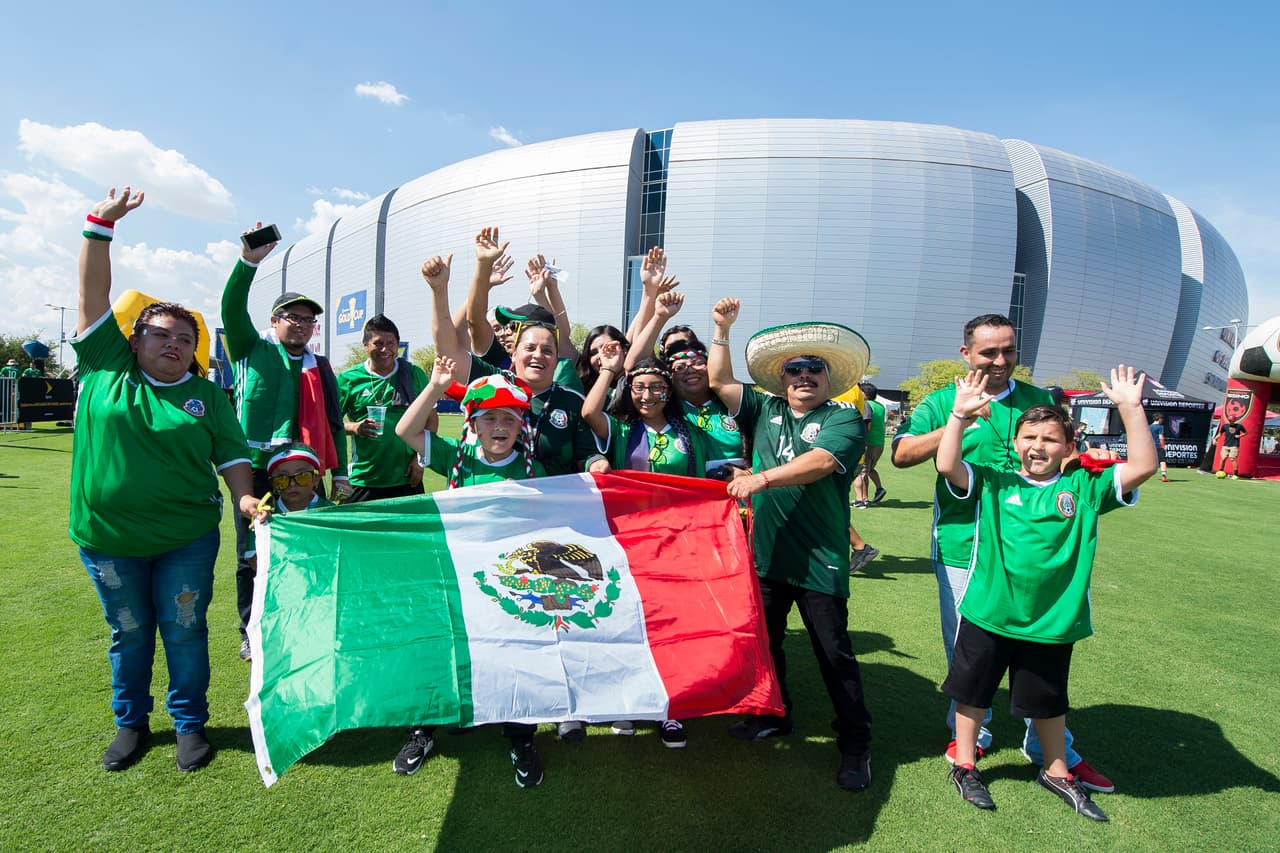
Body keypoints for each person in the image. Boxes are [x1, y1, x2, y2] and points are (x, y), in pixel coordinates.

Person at [71, 186, 257, 773]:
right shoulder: (104, 365)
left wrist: (246, 495)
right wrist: (101, 224)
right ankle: (130, 724)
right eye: (160, 335)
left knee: (183, 630)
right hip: (107, 538)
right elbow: (93, 292)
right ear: (134, 340)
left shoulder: (207, 396)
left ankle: (189, 725)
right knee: (128, 632)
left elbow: (230, 455)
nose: (173, 344)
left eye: (185, 338)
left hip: (185, 538)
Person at [890, 313, 1113, 793]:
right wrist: (961, 420)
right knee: (969, 654)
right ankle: (971, 739)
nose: (999, 360)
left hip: (1028, 551)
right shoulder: (945, 399)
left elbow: (1066, 459)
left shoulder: (1038, 401)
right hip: (961, 545)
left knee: (1043, 648)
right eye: (988, 352)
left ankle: (1050, 748)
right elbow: (902, 454)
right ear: (966, 353)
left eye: (1007, 350)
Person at [939, 365, 1154, 821]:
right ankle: (965, 764)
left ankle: (1056, 770)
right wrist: (958, 418)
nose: (1038, 447)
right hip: (989, 612)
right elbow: (946, 465)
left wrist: (1130, 409)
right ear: (1015, 443)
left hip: (1052, 620)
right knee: (973, 692)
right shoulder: (995, 481)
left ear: (1069, 447)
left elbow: (1143, 467)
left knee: (1048, 699)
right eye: (1029, 437)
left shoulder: (1085, 486)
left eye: (1050, 439)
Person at [708, 299, 875, 792]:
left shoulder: (845, 418)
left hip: (820, 560)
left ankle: (856, 745)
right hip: (767, 557)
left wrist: (761, 479)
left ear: (829, 378)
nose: (804, 376)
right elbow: (719, 381)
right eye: (794, 370)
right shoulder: (766, 407)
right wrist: (722, 329)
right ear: (782, 379)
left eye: (813, 369)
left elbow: (822, 462)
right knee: (767, 645)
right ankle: (774, 715)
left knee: (834, 655)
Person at [394, 358, 548, 787]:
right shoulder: (457, 457)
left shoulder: (535, 471)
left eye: (508, 419)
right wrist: (436, 387)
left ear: (521, 428)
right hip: (455, 579)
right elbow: (404, 431)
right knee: (440, 653)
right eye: (490, 419)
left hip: (510, 584)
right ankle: (422, 731)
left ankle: (521, 737)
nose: (499, 427)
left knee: (516, 655)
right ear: (474, 426)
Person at [221, 227, 349, 661]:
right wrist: (247, 262)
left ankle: (307, 615)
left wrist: (342, 472)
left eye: (308, 320)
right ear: (274, 322)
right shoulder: (249, 348)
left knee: (309, 544)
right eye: (292, 317)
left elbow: (333, 421)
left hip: (304, 469)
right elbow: (230, 306)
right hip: (254, 469)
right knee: (251, 550)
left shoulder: (322, 364)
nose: (301, 325)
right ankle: (249, 628)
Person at [337, 314, 430, 502]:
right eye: (378, 343)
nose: (385, 349)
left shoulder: (413, 374)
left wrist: (421, 460)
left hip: (407, 478)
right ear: (365, 345)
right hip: (363, 479)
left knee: (410, 531)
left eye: (391, 343)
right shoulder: (348, 379)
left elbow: (431, 419)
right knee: (353, 530)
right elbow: (330, 424)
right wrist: (355, 427)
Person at [852, 382, 887, 507]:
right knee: (870, 469)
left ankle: (863, 499)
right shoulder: (880, 406)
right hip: (880, 442)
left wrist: (862, 440)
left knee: (862, 471)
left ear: (864, 394)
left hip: (869, 442)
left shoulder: (866, 404)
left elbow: (867, 423)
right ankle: (879, 488)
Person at [1150, 413, 1169, 482]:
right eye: (1162, 419)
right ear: (1159, 419)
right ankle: (1164, 476)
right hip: (1158, 446)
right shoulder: (1160, 427)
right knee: (1162, 460)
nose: (1162, 420)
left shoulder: (1149, 427)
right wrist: (1163, 446)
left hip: (1150, 446)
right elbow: (1161, 437)